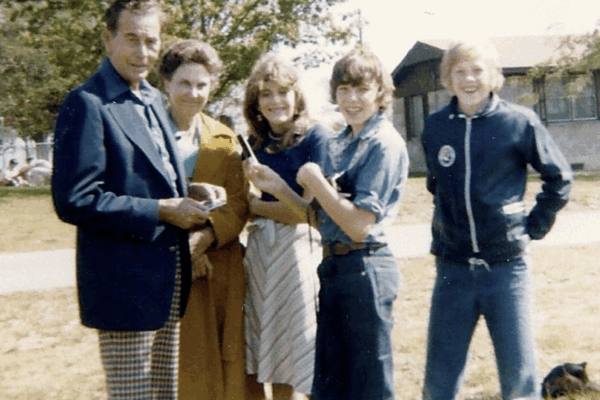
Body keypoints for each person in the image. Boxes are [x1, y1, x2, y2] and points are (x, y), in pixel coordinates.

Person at [51, 1, 223, 398]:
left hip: (167, 279)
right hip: (124, 287)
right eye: (132, 39)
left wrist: (190, 192)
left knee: (163, 393)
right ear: (107, 38)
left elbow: (146, 178)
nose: (143, 53)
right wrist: (162, 210)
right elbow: (75, 198)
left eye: (151, 41)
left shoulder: (152, 98)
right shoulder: (87, 102)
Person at [244, 47, 409, 400]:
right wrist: (279, 187)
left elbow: (359, 226)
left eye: (361, 89)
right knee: (331, 387)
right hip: (334, 267)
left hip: (366, 267)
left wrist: (317, 182)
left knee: (369, 387)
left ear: (380, 92)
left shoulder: (383, 143)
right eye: (343, 90)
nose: (351, 99)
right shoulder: (342, 142)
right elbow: (319, 219)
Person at [420, 39, 573, 400]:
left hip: (505, 268)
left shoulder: (518, 121)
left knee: (518, 375)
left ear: (493, 77)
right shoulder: (436, 126)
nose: (469, 79)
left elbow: (559, 179)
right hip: (453, 268)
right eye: (459, 71)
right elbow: (436, 184)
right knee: (439, 377)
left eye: (478, 70)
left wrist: (531, 228)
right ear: (447, 79)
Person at [158, 39, 251, 400]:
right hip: (166, 266)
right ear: (166, 83)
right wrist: (185, 249)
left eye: (202, 84)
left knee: (226, 370)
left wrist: (205, 238)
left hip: (219, 266)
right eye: (184, 83)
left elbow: (238, 202)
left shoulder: (224, 139)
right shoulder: (148, 134)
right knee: (182, 369)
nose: (193, 93)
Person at [242, 53, 329, 400]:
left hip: (298, 252)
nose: (275, 101)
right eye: (266, 94)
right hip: (262, 254)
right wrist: (254, 207)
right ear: (256, 103)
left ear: (297, 96)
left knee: (298, 349)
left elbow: (307, 214)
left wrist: (257, 207)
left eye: (283, 92)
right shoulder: (256, 144)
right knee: (274, 352)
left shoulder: (315, 137)